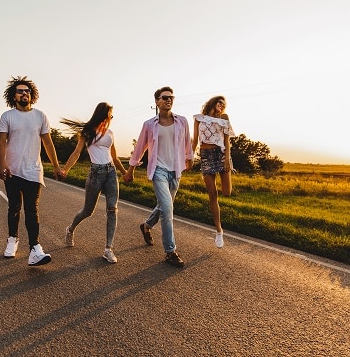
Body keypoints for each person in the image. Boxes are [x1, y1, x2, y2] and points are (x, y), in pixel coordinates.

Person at [0, 76, 65, 266]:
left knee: (32, 210)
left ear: (31, 95)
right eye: (20, 91)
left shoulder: (40, 116)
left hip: (34, 170)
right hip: (12, 170)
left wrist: (56, 166)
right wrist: (1, 164)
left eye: (27, 91)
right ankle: (12, 239)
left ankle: (35, 248)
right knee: (14, 208)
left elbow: (48, 143)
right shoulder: (7, 116)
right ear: (14, 95)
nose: (24, 93)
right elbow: (1, 142)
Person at [123, 86, 193, 267]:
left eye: (171, 97)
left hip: (176, 170)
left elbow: (187, 142)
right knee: (168, 208)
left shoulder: (182, 121)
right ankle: (170, 251)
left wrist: (189, 158)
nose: (168, 100)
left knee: (164, 206)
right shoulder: (149, 124)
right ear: (156, 101)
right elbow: (140, 147)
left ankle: (146, 226)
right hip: (158, 170)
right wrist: (130, 169)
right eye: (164, 97)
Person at [61, 103, 127, 264]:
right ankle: (70, 230)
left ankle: (108, 249)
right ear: (103, 115)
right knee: (87, 211)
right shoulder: (87, 133)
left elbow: (115, 157)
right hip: (95, 174)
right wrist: (65, 170)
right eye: (110, 115)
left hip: (111, 172)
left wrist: (125, 173)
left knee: (112, 209)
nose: (111, 119)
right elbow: (76, 154)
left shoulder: (110, 133)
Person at [192, 96, 234, 248]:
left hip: (221, 154)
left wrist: (227, 159)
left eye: (224, 104)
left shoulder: (224, 118)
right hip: (205, 156)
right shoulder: (199, 119)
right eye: (220, 102)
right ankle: (218, 231)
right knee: (212, 194)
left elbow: (227, 140)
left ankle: (219, 230)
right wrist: (190, 157)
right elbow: (195, 140)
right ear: (212, 102)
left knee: (227, 192)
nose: (222, 105)